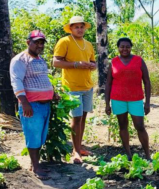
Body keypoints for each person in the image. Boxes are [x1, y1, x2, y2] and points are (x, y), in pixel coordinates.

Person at [10, 30, 58, 180]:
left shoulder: (40, 59)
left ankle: (34, 164)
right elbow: (16, 81)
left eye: (41, 42)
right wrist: (25, 103)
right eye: (36, 42)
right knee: (33, 135)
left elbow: (44, 78)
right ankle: (36, 167)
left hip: (44, 105)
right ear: (28, 42)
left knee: (40, 136)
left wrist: (53, 93)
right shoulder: (20, 60)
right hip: (32, 105)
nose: (39, 45)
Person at [53, 16, 97, 164]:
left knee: (83, 118)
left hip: (87, 86)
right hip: (72, 87)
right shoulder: (64, 41)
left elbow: (93, 62)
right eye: (76, 27)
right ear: (70, 28)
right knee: (76, 118)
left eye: (81, 26)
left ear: (85, 28)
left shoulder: (88, 44)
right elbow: (56, 62)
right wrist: (76, 64)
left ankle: (79, 147)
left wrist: (92, 66)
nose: (79, 29)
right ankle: (75, 151)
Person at [105, 38, 151, 160]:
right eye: (122, 47)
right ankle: (129, 154)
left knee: (140, 126)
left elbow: (147, 82)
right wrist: (107, 104)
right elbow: (108, 83)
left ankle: (147, 155)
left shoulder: (139, 61)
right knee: (122, 125)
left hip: (135, 98)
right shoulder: (114, 62)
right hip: (118, 98)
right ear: (118, 48)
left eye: (127, 46)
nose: (124, 49)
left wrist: (147, 103)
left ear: (131, 47)